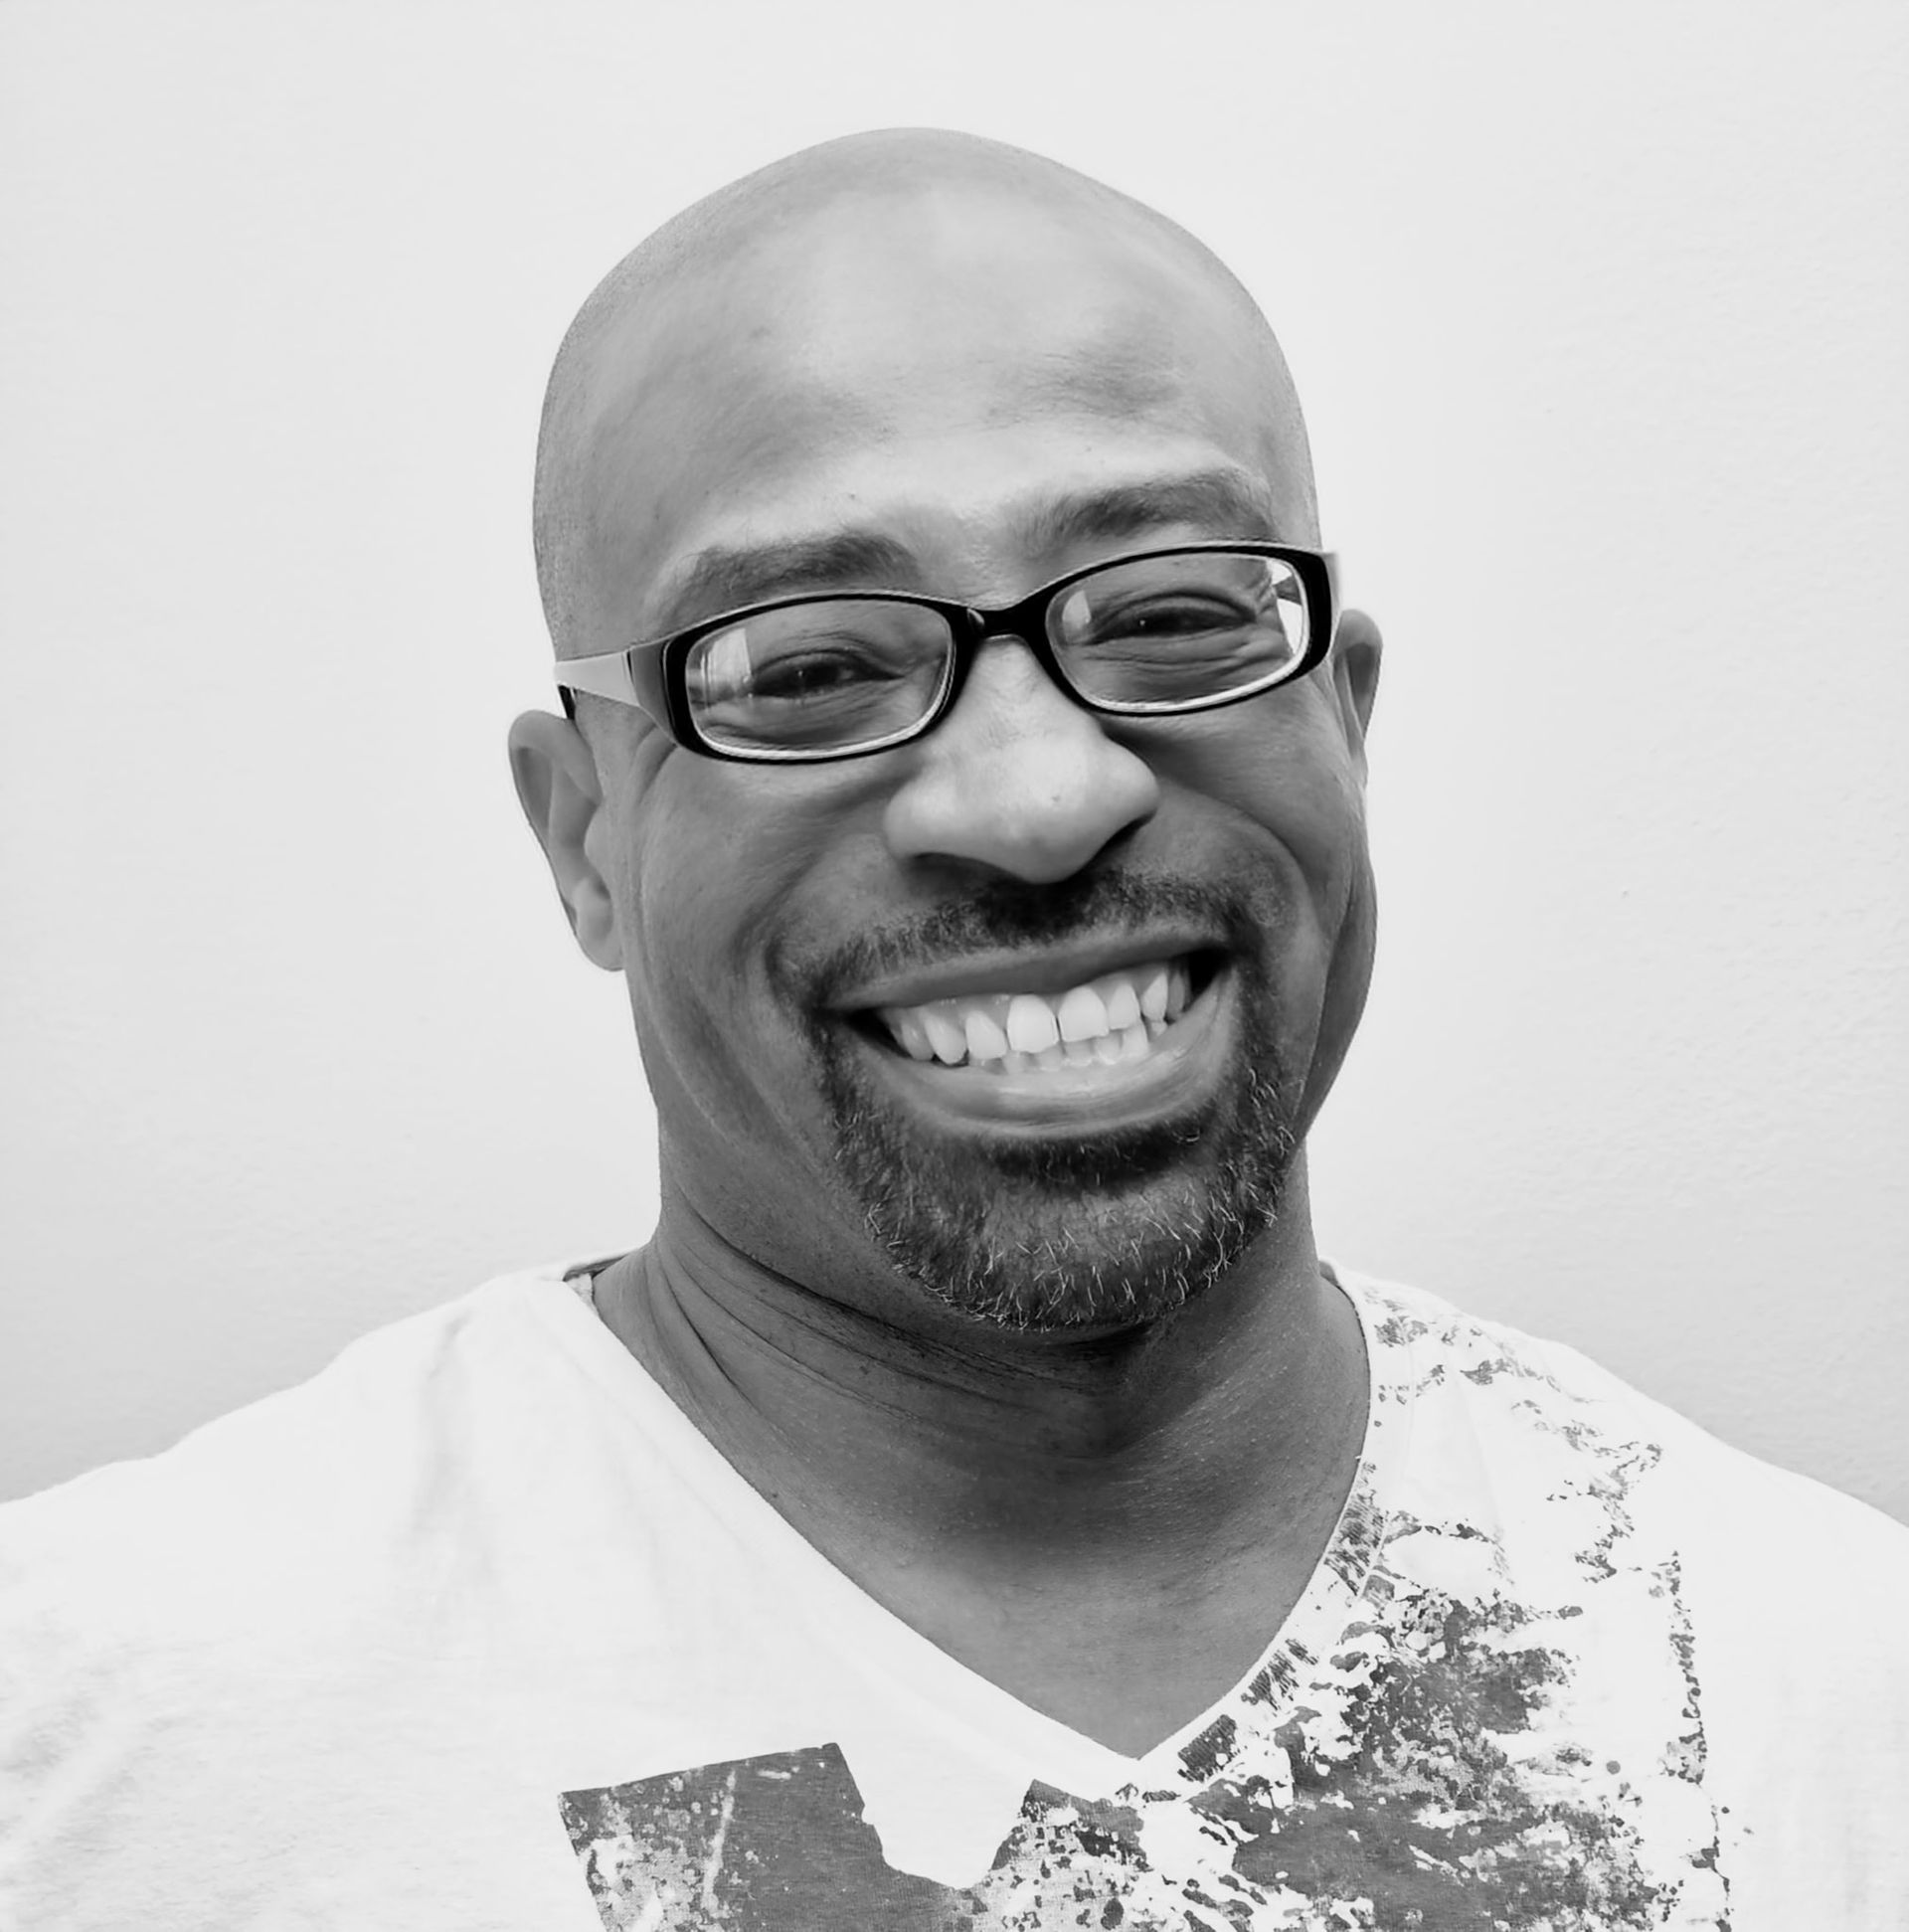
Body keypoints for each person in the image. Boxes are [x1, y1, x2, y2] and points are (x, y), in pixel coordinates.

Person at [2, 128, 1904, 1932]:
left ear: (1347, 719)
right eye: (811, 667)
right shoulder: (106, 1734)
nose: (1036, 796)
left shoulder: (1827, 1696)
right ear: (584, 837)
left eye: (1170, 614)